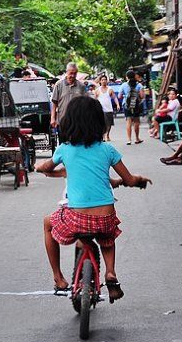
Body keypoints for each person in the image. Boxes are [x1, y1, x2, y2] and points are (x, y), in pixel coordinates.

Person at [36, 96, 152, 302]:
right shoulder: (107, 150)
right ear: (99, 122)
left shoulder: (65, 149)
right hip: (105, 218)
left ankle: (58, 278)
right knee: (107, 238)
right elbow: (129, 179)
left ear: (68, 122)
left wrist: (38, 166)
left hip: (77, 218)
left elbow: (47, 167)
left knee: (47, 223)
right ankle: (110, 272)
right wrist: (138, 180)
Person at [50, 62, 87, 130]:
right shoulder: (59, 85)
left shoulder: (81, 86)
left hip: (77, 121)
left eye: (75, 73)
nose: (72, 75)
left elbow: (85, 104)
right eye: (71, 73)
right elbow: (54, 103)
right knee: (63, 140)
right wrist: (52, 118)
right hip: (62, 120)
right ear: (66, 72)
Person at [121, 70, 144, 145]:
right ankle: (137, 139)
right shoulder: (139, 85)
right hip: (136, 105)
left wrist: (126, 96)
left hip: (126, 105)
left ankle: (129, 140)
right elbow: (142, 96)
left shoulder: (124, 85)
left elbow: (119, 96)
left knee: (128, 121)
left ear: (127, 77)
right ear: (134, 76)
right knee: (136, 122)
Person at [95, 75, 120, 141]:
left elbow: (114, 97)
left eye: (105, 80)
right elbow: (94, 100)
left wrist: (117, 104)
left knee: (109, 124)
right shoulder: (97, 90)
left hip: (109, 109)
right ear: (100, 81)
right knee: (102, 124)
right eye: (102, 80)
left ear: (107, 81)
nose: (104, 81)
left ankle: (107, 135)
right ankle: (103, 136)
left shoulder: (110, 89)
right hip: (100, 110)